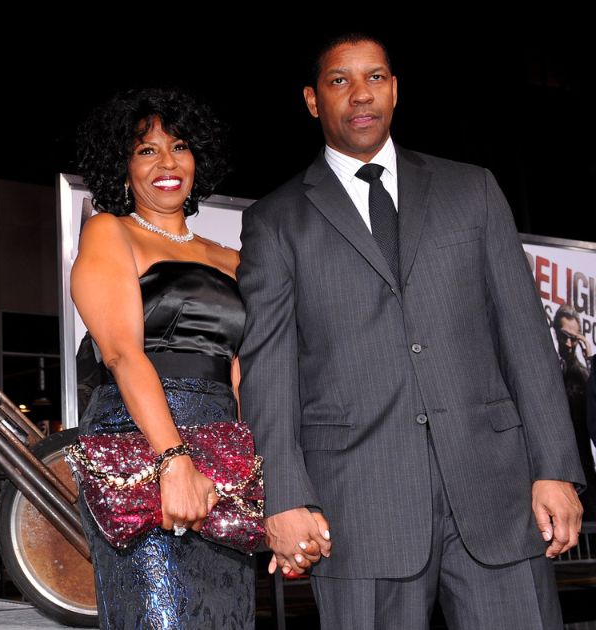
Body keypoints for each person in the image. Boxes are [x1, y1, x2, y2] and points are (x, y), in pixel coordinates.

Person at [237, 34, 585, 629]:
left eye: (375, 77)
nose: (360, 94)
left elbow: (525, 337)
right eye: (339, 81)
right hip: (355, 507)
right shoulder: (277, 220)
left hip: (496, 496)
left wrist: (555, 466)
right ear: (312, 100)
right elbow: (269, 373)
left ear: (395, 90)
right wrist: (284, 496)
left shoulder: (470, 189)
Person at [70, 89, 267, 629]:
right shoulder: (109, 231)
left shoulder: (232, 259)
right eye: (146, 150)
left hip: (224, 452)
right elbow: (121, 353)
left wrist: (261, 476)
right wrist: (172, 459)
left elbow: (242, 369)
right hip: (142, 446)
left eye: (179, 146)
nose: (167, 163)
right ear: (123, 166)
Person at [554, 306, 595, 514]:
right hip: (553, 473)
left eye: (573, 338)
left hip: (584, 470)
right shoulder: (547, 371)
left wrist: (590, 359)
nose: (569, 344)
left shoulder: (584, 374)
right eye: (564, 336)